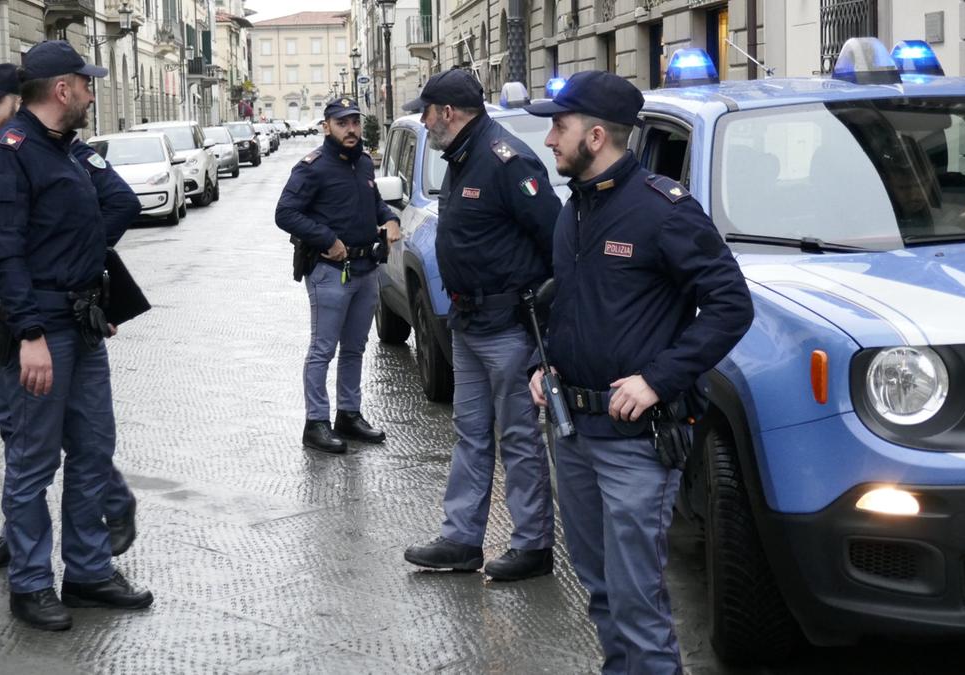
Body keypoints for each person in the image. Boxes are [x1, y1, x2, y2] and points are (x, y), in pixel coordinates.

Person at [523, 71, 754, 673]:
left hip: (635, 442)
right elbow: (564, 302)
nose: (549, 139)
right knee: (600, 588)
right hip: (573, 432)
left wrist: (657, 379)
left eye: (559, 126)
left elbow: (731, 304)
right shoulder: (573, 209)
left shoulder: (662, 210)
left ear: (595, 136)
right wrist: (538, 364)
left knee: (636, 601)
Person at [0, 40, 153, 631]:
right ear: (62, 89)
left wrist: (84, 268)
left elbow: (102, 216)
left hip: (84, 321)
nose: (94, 92)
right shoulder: (11, 152)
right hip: (42, 325)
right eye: (88, 83)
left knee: (94, 450)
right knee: (33, 460)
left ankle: (88, 573)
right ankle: (29, 584)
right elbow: (3, 252)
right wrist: (29, 333)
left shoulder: (67, 151)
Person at [401, 69, 561, 581]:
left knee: (517, 437)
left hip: (509, 326)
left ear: (448, 112)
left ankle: (533, 546)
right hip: (468, 322)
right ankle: (461, 539)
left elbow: (554, 239)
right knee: (470, 433)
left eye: (428, 112)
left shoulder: (505, 159)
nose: (424, 123)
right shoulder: (462, 156)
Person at [275, 97, 401, 454]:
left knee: (355, 348)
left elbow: (374, 203)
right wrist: (326, 239)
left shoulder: (362, 163)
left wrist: (390, 217)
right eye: (342, 123)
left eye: (355, 122)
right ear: (326, 126)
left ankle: (349, 414)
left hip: (365, 269)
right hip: (330, 273)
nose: (351, 129)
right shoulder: (312, 167)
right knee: (322, 350)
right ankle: (316, 422)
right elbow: (285, 213)